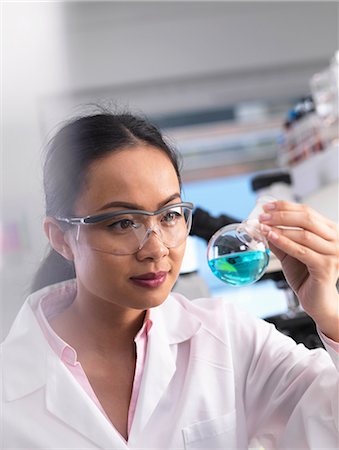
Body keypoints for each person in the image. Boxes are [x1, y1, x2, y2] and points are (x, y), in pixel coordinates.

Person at [1, 111, 338, 450]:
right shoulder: (10, 385)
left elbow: (329, 420)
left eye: (170, 215)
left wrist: (329, 312)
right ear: (61, 237)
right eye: (122, 223)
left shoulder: (227, 337)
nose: (156, 248)